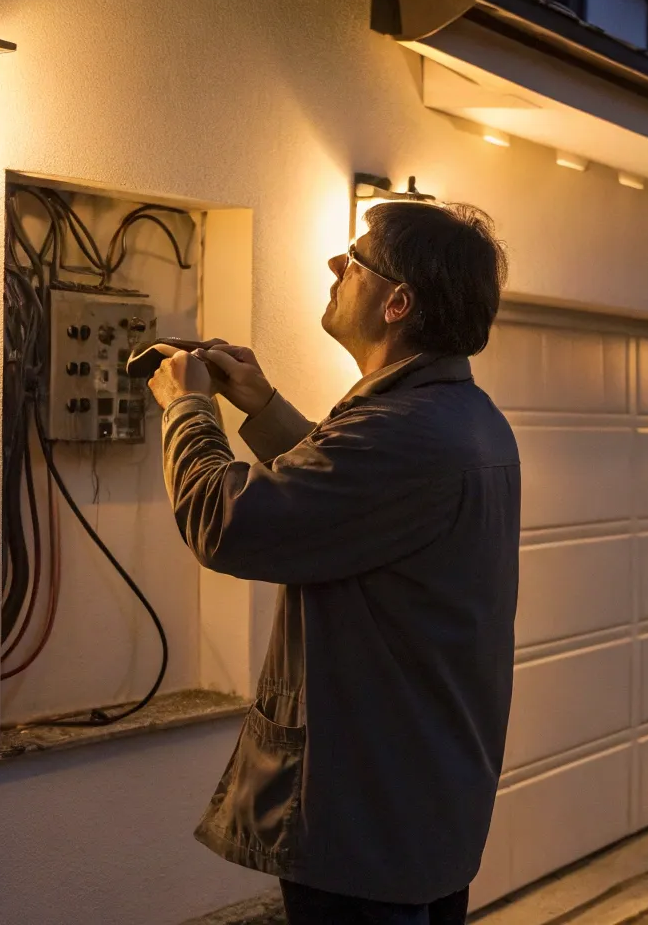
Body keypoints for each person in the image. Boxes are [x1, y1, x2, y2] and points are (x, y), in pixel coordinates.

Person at [145, 200, 520, 924]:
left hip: (362, 815)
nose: (334, 266)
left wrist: (187, 410)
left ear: (397, 302)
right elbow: (349, 495)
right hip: (417, 801)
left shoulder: (404, 435)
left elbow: (227, 526)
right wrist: (261, 404)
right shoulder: (457, 418)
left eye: (355, 257)